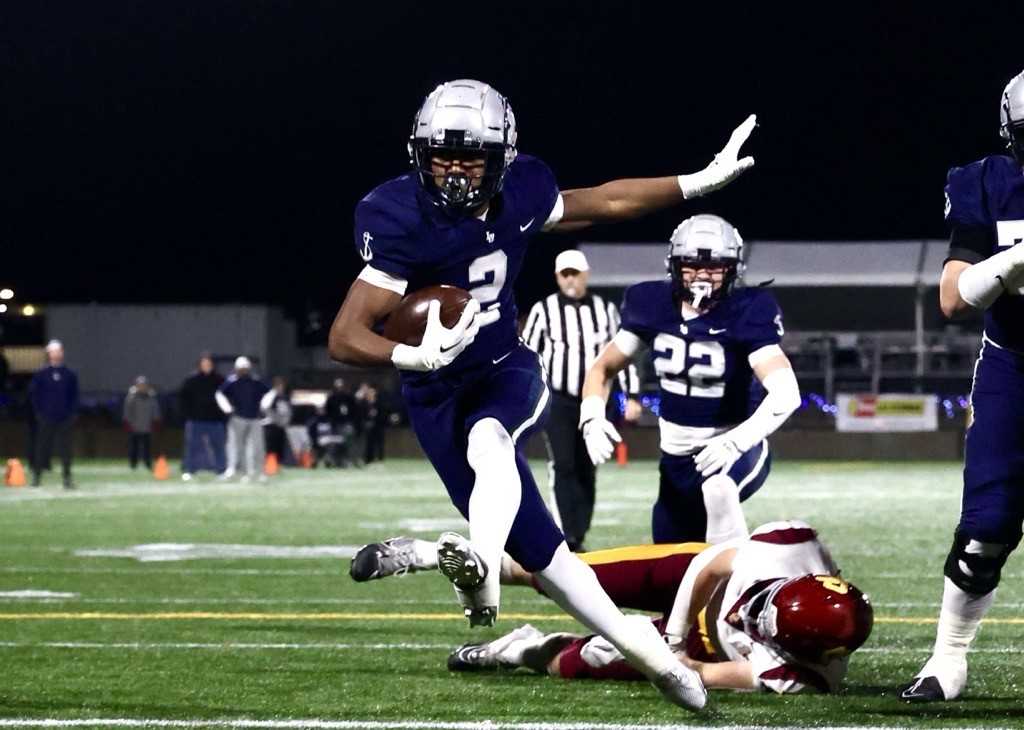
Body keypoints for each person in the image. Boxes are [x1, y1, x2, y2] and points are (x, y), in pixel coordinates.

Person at [328, 78, 756, 710]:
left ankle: (480, 576)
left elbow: (605, 202)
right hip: (434, 392)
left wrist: (695, 183)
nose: (453, 172)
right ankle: (659, 662)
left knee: (491, 438)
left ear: (501, 157)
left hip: (505, 367)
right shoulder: (397, 215)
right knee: (552, 561)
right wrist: (410, 353)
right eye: (441, 155)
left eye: (469, 157)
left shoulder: (521, 189)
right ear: (418, 152)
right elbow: (344, 335)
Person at [350, 494, 872, 694]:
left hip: (706, 650)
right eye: (765, 605)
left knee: (577, 663)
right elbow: (709, 567)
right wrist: (672, 633)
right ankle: (418, 553)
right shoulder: (788, 546)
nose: (752, 616)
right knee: (550, 571)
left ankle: (515, 649)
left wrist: (655, 652)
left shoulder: (800, 676)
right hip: (689, 581)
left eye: (765, 624)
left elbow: (707, 674)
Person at [899, 70, 1024, 703]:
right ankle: (948, 659)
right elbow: (952, 297)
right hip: (1014, 367)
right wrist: (1013, 261)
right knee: (986, 527)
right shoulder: (987, 183)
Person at [578, 215, 800, 543]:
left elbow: (786, 393)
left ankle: (740, 587)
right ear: (674, 267)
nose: (702, 277)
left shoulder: (747, 311)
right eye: (692, 266)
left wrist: (734, 441)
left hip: (731, 449)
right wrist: (592, 418)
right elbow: (602, 368)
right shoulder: (651, 304)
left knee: (719, 491)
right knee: (670, 563)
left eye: (714, 267)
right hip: (675, 460)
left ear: (733, 270)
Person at [522, 249, 642, 552]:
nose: (571, 279)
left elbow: (621, 356)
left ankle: (580, 531)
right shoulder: (543, 310)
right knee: (562, 464)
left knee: (587, 466)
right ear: (557, 277)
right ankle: (567, 537)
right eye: (565, 273)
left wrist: (631, 395)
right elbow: (529, 357)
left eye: (576, 272)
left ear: (586, 274)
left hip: (596, 401)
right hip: (560, 401)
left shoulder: (605, 310)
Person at [28, 339, 79, 489]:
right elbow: (34, 395)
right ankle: (37, 477)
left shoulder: (70, 374)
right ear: (49, 354)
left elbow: (74, 395)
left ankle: (67, 478)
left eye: (58, 351)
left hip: (64, 418)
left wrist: (72, 413)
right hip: (46, 417)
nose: (56, 354)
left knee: (66, 449)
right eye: (53, 351)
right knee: (42, 447)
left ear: (62, 353)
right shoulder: (41, 374)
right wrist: (39, 412)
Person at [215, 356, 270, 483]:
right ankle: (234, 469)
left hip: (255, 418)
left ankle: (259, 471)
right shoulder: (232, 382)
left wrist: (264, 404)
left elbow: (269, 392)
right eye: (241, 368)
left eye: (245, 368)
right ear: (236, 369)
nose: (243, 371)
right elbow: (219, 394)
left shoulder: (256, 381)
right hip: (237, 418)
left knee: (257, 447)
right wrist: (226, 407)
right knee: (235, 446)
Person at [179, 353, 227, 481]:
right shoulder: (191, 380)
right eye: (204, 364)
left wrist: (223, 416)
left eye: (209, 364)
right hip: (196, 420)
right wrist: (187, 415)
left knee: (219, 447)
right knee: (191, 447)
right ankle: (189, 470)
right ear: (199, 365)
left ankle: (221, 471)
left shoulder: (220, 380)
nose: (206, 366)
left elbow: (226, 398)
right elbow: (183, 399)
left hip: (215, 421)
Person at [122, 375, 161, 471]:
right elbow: (127, 411)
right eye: (140, 385)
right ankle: (133, 464)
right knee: (134, 447)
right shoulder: (131, 397)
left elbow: (155, 410)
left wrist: (156, 421)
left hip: (147, 426)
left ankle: (147, 463)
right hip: (134, 426)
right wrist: (127, 422)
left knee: (147, 447)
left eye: (144, 385)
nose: (142, 387)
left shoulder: (151, 397)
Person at [262, 376, 294, 466]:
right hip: (271, 425)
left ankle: (277, 466)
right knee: (271, 448)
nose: (282, 387)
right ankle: (270, 467)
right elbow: (265, 407)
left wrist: (284, 421)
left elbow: (287, 411)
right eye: (280, 385)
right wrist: (274, 417)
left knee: (279, 448)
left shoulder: (283, 397)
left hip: (280, 426)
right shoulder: (271, 395)